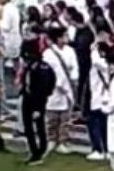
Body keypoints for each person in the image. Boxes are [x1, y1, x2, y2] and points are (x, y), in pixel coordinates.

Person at [43, 26, 79, 155]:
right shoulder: (48, 54)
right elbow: (50, 72)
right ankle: (51, 139)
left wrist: (74, 80)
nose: (66, 38)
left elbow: (74, 68)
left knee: (65, 118)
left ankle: (63, 141)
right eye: (64, 36)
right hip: (54, 89)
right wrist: (59, 84)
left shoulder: (70, 51)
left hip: (68, 87)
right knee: (52, 117)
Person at [20, 38, 55, 165]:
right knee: (28, 127)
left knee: (39, 127)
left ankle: (40, 151)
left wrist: (38, 107)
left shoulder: (42, 68)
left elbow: (44, 88)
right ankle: (34, 150)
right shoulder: (30, 67)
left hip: (37, 101)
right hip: (28, 98)